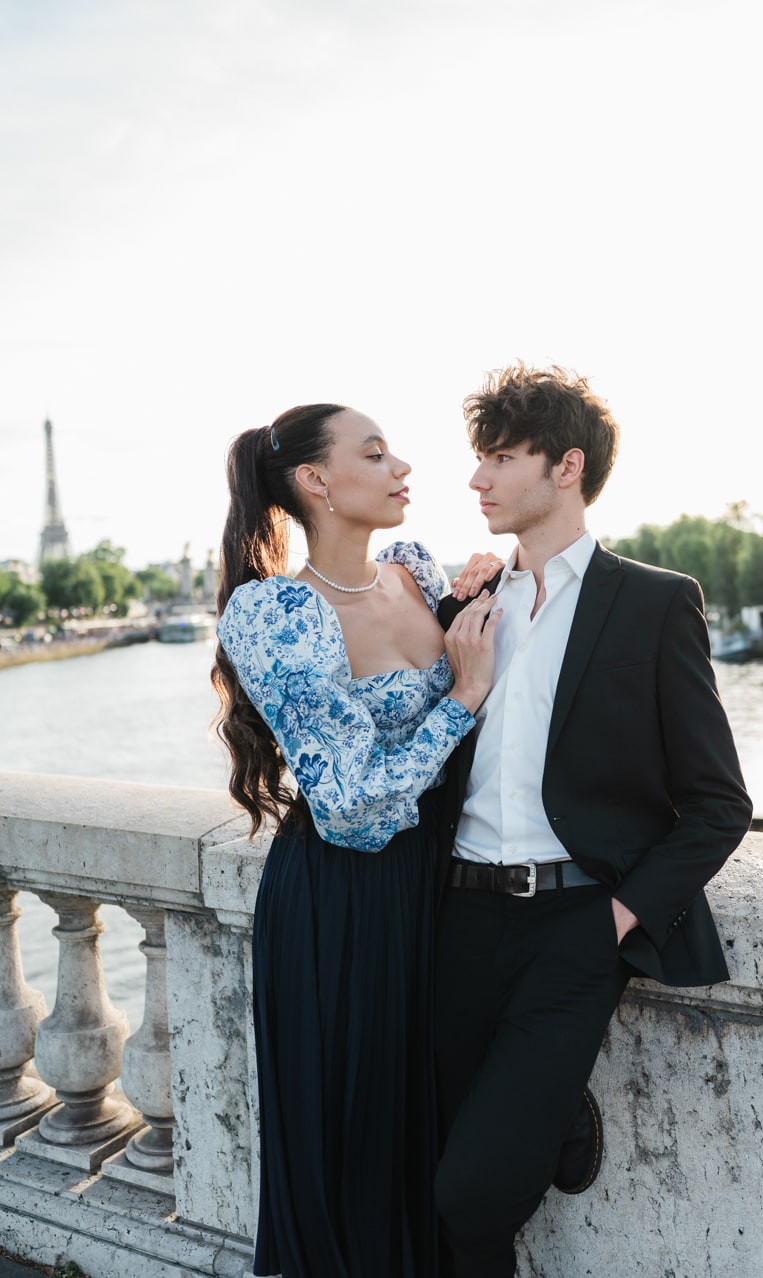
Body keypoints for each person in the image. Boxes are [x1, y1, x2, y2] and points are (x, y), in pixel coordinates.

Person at [433, 364, 753, 1278]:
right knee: (433, 1172)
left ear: (567, 466)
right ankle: (555, 1115)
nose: (478, 480)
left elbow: (719, 802)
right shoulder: (469, 603)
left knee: (472, 1193)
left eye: (501, 457)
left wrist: (614, 921)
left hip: (574, 929)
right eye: (478, 458)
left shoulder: (652, 601)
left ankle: (549, 1112)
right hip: (455, 920)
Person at [212, 403, 501, 1278]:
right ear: (315, 483)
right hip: (346, 901)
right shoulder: (272, 615)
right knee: (360, 1139)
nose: (400, 465)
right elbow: (348, 805)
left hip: (439, 885)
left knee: (430, 1131)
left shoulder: (414, 571)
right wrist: (460, 700)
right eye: (373, 454)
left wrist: (479, 598)